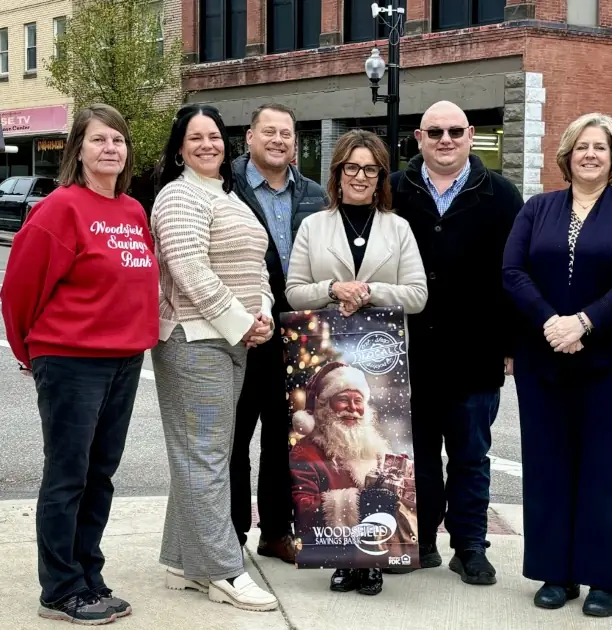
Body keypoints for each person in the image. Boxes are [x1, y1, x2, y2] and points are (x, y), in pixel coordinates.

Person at [502, 112, 612, 617]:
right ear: (566, 156)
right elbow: (512, 270)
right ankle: (556, 573)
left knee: (609, 469)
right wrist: (553, 321)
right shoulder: (537, 208)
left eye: (601, 147)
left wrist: (585, 322)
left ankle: (604, 580)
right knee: (549, 466)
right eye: (581, 147)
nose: (590, 154)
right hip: (544, 360)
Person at [0, 104, 157, 625]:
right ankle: (61, 588)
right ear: (78, 150)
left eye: (118, 139)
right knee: (68, 475)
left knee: (100, 474)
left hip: (124, 359)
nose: (110, 148)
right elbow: (19, 289)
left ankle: (89, 573)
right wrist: (30, 352)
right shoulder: (61, 208)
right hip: (70, 359)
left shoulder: (133, 211)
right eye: (98, 140)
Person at [284, 129, 427, 595]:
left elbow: (418, 294)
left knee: (372, 461)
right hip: (335, 346)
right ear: (338, 173)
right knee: (334, 461)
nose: (360, 177)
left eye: (370, 169)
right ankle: (341, 558)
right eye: (352, 168)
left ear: (380, 176)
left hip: (382, 356)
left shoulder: (397, 228)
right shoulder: (315, 226)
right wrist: (332, 289)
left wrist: (369, 291)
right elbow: (293, 290)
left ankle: (374, 557)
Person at [150, 103, 279, 612]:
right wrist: (242, 321)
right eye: (196, 137)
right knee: (204, 456)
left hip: (233, 338)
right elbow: (188, 271)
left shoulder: (227, 194)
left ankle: (182, 561)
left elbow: (257, 266)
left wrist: (262, 312)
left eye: (214, 136)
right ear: (179, 146)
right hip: (194, 338)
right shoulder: (177, 196)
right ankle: (225, 570)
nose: (208, 145)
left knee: (206, 453)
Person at [388, 100, 521, 586]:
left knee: (470, 457)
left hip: (476, 352)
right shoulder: (395, 190)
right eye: (435, 132)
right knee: (415, 456)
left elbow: (516, 274)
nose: (446, 140)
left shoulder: (503, 195)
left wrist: (510, 345)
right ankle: (419, 541)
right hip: (409, 354)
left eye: (456, 132)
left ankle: (470, 547)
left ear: (470, 137)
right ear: (419, 138)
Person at [228, 103, 327, 563]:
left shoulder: (312, 193)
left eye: (286, 133)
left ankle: (275, 530)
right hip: (240, 329)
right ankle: (230, 532)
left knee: (283, 436)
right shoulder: (225, 187)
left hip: (296, 330)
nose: (278, 140)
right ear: (249, 137)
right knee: (233, 436)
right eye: (268, 132)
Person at [288, 362, 418, 596]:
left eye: (358, 401)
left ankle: (372, 563)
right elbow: (303, 504)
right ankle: (345, 563)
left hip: (378, 536)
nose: (352, 408)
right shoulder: (306, 451)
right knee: (372, 499)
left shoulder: (373, 444)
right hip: (333, 541)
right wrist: (359, 500)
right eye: (343, 399)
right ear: (326, 404)